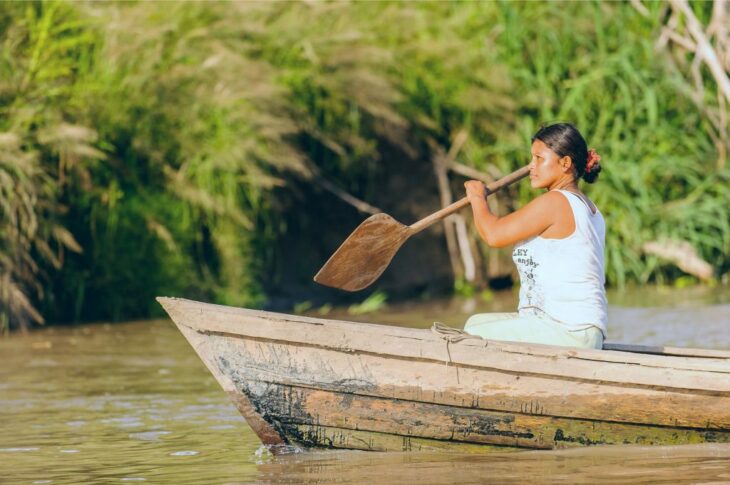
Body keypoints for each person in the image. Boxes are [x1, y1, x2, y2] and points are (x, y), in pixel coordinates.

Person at [463, 123, 606, 349]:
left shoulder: (557, 202)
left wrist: (478, 199)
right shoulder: (589, 207)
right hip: (573, 330)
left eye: (539, 158)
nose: (531, 166)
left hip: (570, 332)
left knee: (471, 333)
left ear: (565, 163)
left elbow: (493, 235)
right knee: (475, 321)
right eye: (532, 158)